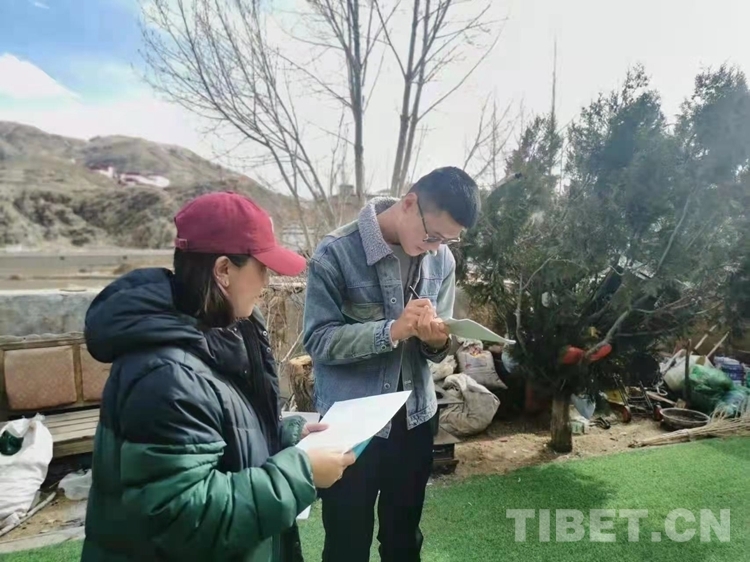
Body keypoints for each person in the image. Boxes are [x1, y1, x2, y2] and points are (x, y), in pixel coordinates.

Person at [81, 191, 355, 562]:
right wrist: (300, 473)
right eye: (262, 268)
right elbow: (183, 519)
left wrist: (285, 436)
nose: (267, 283)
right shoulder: (168, 376)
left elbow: (217, 434)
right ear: (224, 270)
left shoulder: (219, 333)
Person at [302, 167, 481, 561]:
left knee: (404, 541)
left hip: (416, 419)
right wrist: (392, 331)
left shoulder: (442, 259)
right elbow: (318, 341)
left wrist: (437, 342)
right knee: (347, 544)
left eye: (447, 240)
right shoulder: (336, 253)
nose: (435, 248)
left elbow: (440, 345)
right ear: (409, 203)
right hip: (351, 422)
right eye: (432, 236)